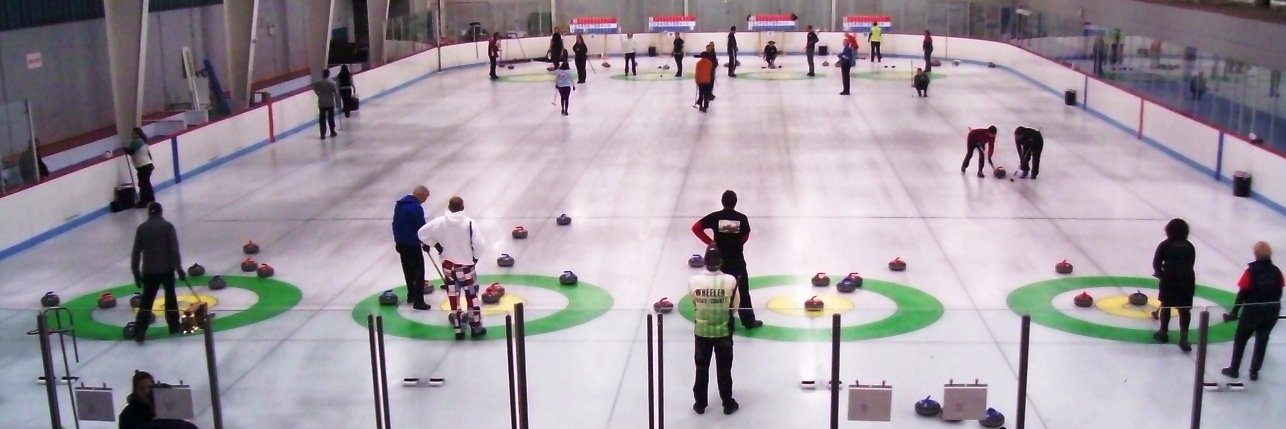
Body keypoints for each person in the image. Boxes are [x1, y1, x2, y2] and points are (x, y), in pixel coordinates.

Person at [418, 196, 488, 340]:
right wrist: (475, 257)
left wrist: (436, 245)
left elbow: (421, 234)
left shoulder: (439, 222)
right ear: (463, 207)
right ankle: (476, 327)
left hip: (449, 267)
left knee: (453, 297)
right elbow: (479, 245)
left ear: (448, 207)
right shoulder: (469, 223)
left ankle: (458, 328)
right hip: (466, 266)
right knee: (471, 297)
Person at [692, 190, 763, 330]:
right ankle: (748, 320)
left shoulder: (715, 217)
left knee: (720, 290)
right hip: (737, 261)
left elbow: (696, 228)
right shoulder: (741, 218)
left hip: (720, 262)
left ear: (722, 202)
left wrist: (711, 242)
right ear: (735, 202)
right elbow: (746, 234)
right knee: (742, 291)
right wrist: (737, 244)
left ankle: (723, 320)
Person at [689, 247, 740, 416]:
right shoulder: (730, 280)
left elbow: (694, 304)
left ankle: (700, 403)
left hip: (702, 331)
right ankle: (727, 402)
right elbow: (734, 307)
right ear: (721, 262)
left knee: (701, 368)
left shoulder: (694, 281)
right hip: (723, 331)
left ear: (704, 261)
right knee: (724, 369)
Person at [1222, 242, 1283, 380]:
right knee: (1262, 339)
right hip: (1271, 311)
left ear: (1256, 255)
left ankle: (1234, 369)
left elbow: (1242, 293)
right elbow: (1279, 291)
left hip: (1252, 311)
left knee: (1241, 339)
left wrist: (1234, 312)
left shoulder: (1251, 271)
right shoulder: (1276, 271)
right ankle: (1254, 371)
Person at [131, 202, 186, 343]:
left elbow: (136, 252)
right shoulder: (168, 227)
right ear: (161, 212)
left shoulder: (142, 228)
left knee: (146, 302)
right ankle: (174, 327)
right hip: (167, 269)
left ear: (149, 213)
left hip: (149, 271)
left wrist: (136, 272)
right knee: (170, 298)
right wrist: (179, 268)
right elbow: (174, 250)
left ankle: (139, 332)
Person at [1152, 218, 1196, 352]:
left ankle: (1163, 332)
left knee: (1166, 305)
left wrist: (1160, 274)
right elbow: (1191, 264)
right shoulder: (1189, 246)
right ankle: (1184, 338)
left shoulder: (1164, 245)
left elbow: (1156, 263)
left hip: (1169, 280)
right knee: (1184, 310)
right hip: (1187, 281)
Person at [393, 186, 432, 310]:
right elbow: (421, 228)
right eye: (425, 197)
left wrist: (397, 241)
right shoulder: (416, 208)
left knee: (408, 270)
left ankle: (411, 295)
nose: (425, 201)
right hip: (413, 244)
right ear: (420, 195)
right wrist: (426, 243)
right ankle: (419, 301)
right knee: (419, 272)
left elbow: (395, 224)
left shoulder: (399, 205)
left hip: (401, 243)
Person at [118, 370, 200, 429]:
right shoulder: (128, 414)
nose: (146, 391)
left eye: (149, 387)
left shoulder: (162, 406)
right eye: (142, 388)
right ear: (136, 390)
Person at [128, 128, 155, 208]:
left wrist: (125, 149)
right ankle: (150, 199)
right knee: (146, 183)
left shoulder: (135, 141)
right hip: (148, 164)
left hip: (143, 166)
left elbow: (131, 152)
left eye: (132, 133)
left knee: (142, 184)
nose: (131, 135)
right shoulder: (143, 141)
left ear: (137, 134)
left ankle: (143, 202)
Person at [311, 69, 340, 139]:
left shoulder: (319, 83)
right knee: (331, 118)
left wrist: (318, 94)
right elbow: (336, 93)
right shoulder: (332, 83)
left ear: (323, 74)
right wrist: (337, 102)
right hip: (330, 102)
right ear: (329, 74)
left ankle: (322, 134)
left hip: (321, 102)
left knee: (322, 118)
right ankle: (332, 131)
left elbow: (314, 89)